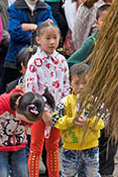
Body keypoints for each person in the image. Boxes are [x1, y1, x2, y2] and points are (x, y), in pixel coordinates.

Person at [25, 20, 70, 177]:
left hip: (57, 111)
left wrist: (61, 111)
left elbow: (65, 89)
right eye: (47, 38)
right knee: (36, 148)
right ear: (38, 40)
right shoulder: (34, 62)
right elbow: (30, 92)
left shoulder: (62, 61)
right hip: (39, 112)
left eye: (55, 38)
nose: (52, 42)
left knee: (53, 147)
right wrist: (43, 113)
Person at [52, 63, 104, 177]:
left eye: (85, 83)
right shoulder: (65, 102)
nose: (81, 87)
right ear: (70, 83)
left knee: (92, 174)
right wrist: (71, 121)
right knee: (68, 173)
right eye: (77, 83)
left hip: (91, 147)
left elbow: (103, 121)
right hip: (70, 147)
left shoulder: (95, 102)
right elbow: (55, 120)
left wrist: (88, 122)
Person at [5, 0, 54, 86]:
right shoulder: (15, 8)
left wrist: (31, 26)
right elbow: (15, 32)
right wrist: (40, 31)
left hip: (41, 58)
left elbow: (52, 29)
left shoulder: (46, 8)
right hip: (16, 58)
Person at [0, 89, 49, 177]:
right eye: (25, 120)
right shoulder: (0, 106)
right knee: (1, 173)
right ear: (17, 107)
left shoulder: (27, 108)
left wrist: (27, 125)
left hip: (19, 147)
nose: (28, 124)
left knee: (22, 173)